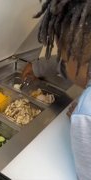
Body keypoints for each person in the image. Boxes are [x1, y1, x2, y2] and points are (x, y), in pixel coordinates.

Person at [22, 0, 91, 179]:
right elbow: (68, 67)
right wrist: (38, 67)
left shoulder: (85, 113)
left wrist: (82, 119)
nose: (61, 60)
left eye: (62, 54)